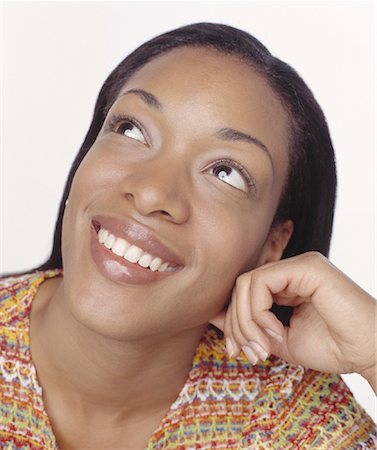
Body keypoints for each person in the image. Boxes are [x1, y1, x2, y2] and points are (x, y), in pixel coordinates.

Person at [0, 22, 376, 449]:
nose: (150, 193)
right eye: (131, 130)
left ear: (273, 245)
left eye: (226, 173)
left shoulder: (291, 417)